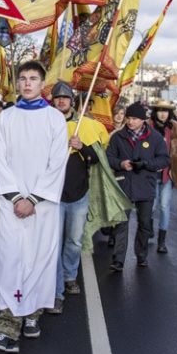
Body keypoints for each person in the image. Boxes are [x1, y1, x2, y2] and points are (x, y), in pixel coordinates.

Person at [0, 61, 68, 354]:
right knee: (9, 259)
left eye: (33, 78)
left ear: (42, 83)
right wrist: (15, 197)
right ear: (17, 83)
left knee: (38, 259)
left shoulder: (55, 119)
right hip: (11, 205)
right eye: (23, 79)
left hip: (42, 207)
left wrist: (32, 199)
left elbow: (57, 163)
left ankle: (32, 313)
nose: (27, 83)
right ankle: (7, 325)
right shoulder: (6, 118)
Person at [45, 81, 106, 316]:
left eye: (65, 98)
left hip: (78, 195)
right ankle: (56, 293)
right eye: (57, 97)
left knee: (73, 242)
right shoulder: (46, 124)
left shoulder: (85, 126)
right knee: (54, 244)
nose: (61, 101)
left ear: (72, 101)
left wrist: (82, 147)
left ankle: (70, 276)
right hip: (53, 195)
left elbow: (97, 159)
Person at [106, 103, 170, 270]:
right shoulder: (118, 137)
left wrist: (146, 164)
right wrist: (121, 163)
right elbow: (108, 157)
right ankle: (118, 259)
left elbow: (164, 159)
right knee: (121, 223)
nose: (130, 122)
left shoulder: (154, 137)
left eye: (134, 119)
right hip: (124, 185)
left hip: (145, 185)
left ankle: (141, 255)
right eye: (128, 118)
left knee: (144, 224)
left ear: (143, 120)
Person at [148, 100, 177, 253]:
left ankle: (162, 241)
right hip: (150, 174)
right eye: (160, 110)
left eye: (166, 111)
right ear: (155, 112)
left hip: (167, 174)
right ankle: (149, 228)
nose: (163, 114)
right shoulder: (148, 125)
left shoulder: (176, 127)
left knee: (164, 207)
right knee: (151, 207)